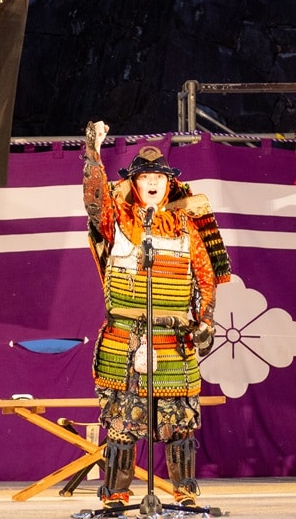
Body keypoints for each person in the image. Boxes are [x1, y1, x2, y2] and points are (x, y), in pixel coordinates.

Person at [83, 121, 231, 511]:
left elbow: (205, 278)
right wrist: (93, 154)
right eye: (144, 176)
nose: (151, 182)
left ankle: (183, 491)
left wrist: (205, 321)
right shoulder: (117, 224)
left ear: (169, 185)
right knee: (120, 421)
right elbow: (95, 203)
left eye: (158, 177)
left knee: (179, 421)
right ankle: (115, 493)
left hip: (173, 339)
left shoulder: (187, 228)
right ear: (134, 183)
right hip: (124, 339)